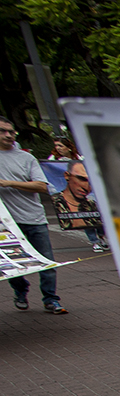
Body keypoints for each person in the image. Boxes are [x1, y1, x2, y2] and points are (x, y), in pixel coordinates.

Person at [0, 117, 66, 314]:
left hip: (34, 218)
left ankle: (50, 299)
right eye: (3, 131)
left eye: (11, 131)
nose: (9, 135)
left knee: (46, 261)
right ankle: (20, 290)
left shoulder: (26, 158)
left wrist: (7, 183)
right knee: (13, 265)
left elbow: (42, 186)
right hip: (7, 224)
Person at [53, 160, 108, 253]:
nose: (85, 185)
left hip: (95, 202)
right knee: (86, 219)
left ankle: (101, 236)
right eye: (81, 179)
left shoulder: (91, 200)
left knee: (99, 219)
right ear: (67, 176)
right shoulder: (58, 199)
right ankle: (95, 241)